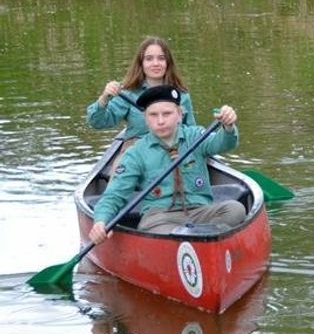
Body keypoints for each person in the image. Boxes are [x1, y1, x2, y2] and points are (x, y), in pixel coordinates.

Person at [89, 85, 245, 242]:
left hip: (200, 211)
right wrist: (100, 221)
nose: (161, 121)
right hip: (160, 218)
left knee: (235, 209)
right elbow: (115, 194)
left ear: (179, 114)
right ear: (145, 119)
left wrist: (228, 126)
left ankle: (203, 236)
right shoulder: (135, 153)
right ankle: (204, 237)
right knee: (158, 230)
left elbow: (223, 143)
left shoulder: (196, 136)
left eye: (167, 113)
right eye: (153, 115)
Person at [87, 36, 196, 140]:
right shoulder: (128, 93)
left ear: (168, 63)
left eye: (161, 58)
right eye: (149, 59)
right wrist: (105, 97)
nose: (156, 63)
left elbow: (191, 131)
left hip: (174, 151)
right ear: (141, 63)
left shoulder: (181, 94)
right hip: (137, 151)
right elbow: (97, 123)